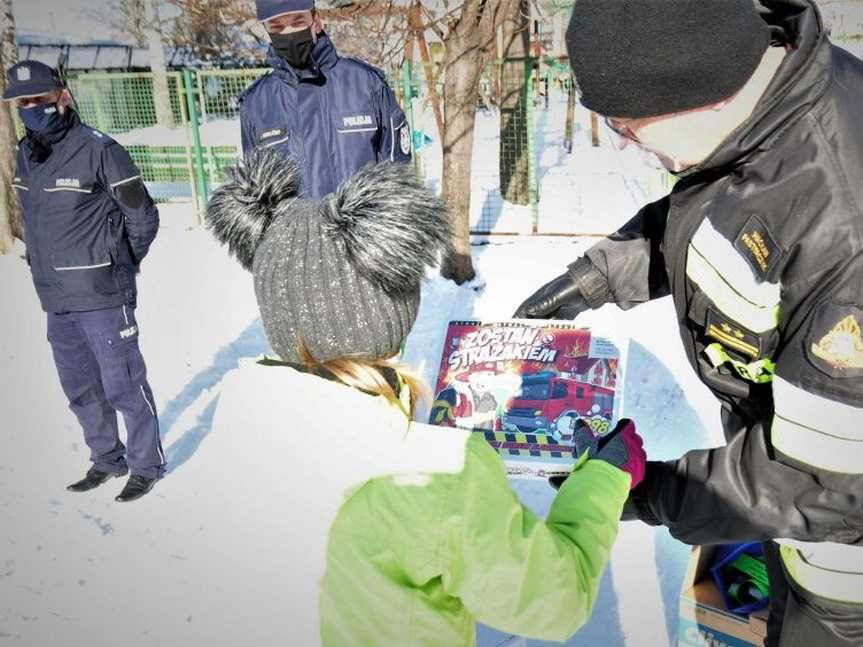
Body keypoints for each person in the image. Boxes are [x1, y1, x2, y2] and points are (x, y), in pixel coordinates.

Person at [514, 1, 863, 644]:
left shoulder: (846, 237)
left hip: (846, 573)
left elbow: (819, 482)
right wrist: (595, 278)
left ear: (691, 93)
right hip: (785, 510)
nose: (622, 139)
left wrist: (645, 490)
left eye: (627, 123)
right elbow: (719, 214)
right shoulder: (766, 102)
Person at [205, 149, 647, 645]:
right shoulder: (431, 475)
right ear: (391, 309)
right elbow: (557, 601)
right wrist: (606, 478)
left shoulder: (233, 430)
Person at [4, 61, 165, 502]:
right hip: (55, 298)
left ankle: (145, 464)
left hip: (102, 295)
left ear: (63, 95)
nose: (33, 109)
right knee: (80, 387)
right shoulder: (25, 154)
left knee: (123, 384)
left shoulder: (100, 149)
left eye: (40, 99)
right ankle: (106, 458)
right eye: (24, 103)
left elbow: (143, 217)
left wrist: (120, 264)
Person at [239, 0, 412, 199]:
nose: (288, 34)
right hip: (294, 229)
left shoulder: (366, 84)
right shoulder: (255, 104)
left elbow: (398, 169)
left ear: (317, 21)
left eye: (298, 23)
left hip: (358, 228)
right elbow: (257, 190)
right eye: (277, 27)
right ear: (267, 32)